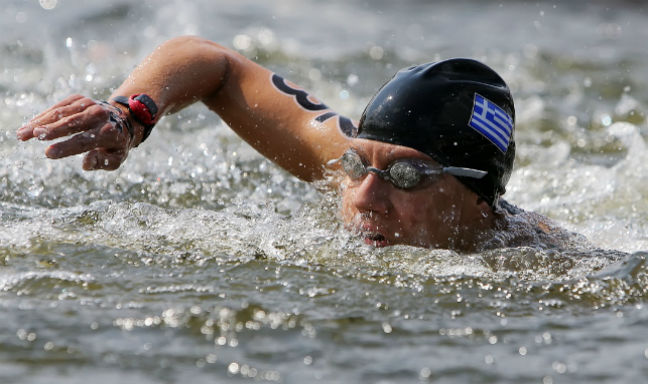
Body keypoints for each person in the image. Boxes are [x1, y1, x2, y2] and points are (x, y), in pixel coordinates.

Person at [16, 36, 577, 251]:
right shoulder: (354, 166)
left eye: (407, 177)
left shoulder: (540, 267)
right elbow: (215, 62)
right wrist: (130, 114)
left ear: (479, 198)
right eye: (357, 165)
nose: (362, 197)